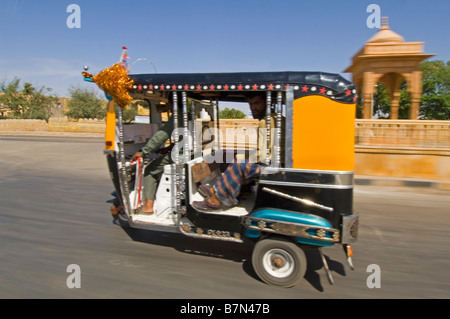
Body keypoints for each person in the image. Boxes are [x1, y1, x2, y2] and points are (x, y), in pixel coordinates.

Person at [192, 93, 274, 212]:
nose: (253, 107)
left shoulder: (266, 122)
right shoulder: (271, 118)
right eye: (251, 104)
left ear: (266, 103)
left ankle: (216, 200)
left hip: (271, 167)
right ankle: (218, 190)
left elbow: (264, 155)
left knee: (239, 164)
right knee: (237, 157)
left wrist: (239, 156)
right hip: (273, 162)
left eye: (257, 103)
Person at [131, 101, 174, 214]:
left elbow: (161, 136)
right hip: (185, 152)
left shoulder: (177, 116)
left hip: (180, 155)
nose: (167, 105)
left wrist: (143, 152)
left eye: (168, 102)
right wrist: (169, 148)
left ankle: (148, 206)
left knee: (150, 170)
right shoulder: (187, 115)